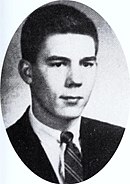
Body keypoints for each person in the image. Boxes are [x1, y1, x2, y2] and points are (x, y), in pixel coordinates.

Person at [6, 3, 125, 184]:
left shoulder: (118, 141)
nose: (75, 80)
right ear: (27, 72)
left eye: (86, 64)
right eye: (58, 64)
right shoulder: (7, 147)